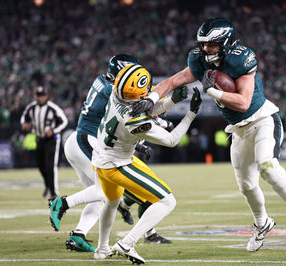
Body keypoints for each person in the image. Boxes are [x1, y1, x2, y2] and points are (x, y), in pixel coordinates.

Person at [130, 17, 286, 252]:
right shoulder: (198, 59)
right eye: (204, 44)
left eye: (212, 44)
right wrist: (151, 98)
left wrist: (211, 91)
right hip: (237, 130)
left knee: (268, 166)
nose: (206, 49)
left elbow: (243, 102)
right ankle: (262, 224)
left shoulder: (242, 58)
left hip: (262, 120)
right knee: (246, 186)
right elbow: (172, 81)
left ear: (226, 42)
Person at [49, 54, 187, 252]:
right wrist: (163, 120)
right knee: (107, 189)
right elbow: (133, 118)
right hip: (89, 140)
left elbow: (118, 124)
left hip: (87, 139)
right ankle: (62, 203)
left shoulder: (104, 83)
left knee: (103, 198)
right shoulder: (114, 90)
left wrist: (137, 141)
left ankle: (78, 235)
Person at [91, 63, 201, 264]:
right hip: (118, 165)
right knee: (167, 201)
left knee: (112, 202)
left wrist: (172, 100)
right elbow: (171, 140)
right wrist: (191, 114)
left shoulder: (115, 93)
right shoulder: (134, 118)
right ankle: (127, 243)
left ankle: (102, 249)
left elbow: (145, 109)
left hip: (99, 157)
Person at [21, 86, 68, 199]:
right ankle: (48, 184)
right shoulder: (31, 107)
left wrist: (53, 131)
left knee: (50, 165)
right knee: (40, 164)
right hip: (39, 138)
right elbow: (24, 118)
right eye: (38, 95)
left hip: (52, 140)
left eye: (42, 95)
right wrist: (25, 124)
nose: (40, 98)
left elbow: (64, 121)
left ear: (46, 96)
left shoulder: (53, 108)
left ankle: (53, 192)